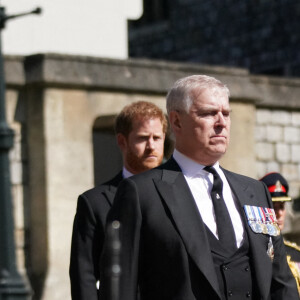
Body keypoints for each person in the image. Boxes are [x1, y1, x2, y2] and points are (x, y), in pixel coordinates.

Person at [99, 75, 298, 300]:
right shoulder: (141, 193)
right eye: (208, 113)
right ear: (176, 122)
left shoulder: (255, 192)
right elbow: (119, 288)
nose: (221, 122)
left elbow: (281, 281)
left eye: (226, 113)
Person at [69, 101, 167, 300]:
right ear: (122, 141)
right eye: (142, 138)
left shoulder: (180, 193)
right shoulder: (94, 203)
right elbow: (84, 275)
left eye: (157, 138)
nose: (151, 146)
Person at [260, 172, 300, 295]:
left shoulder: (296, 253)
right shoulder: (255, 251)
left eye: (282, 207)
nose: (279, 213)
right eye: (273, 207)